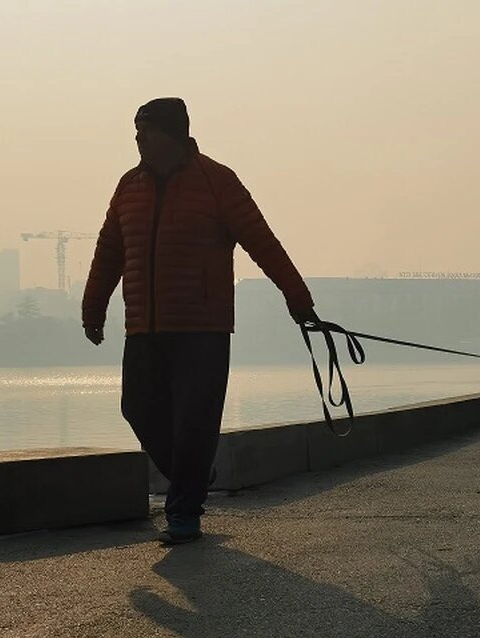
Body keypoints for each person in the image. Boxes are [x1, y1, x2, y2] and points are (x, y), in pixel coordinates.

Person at [82, 97, 319, 544]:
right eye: (135, 131)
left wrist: (298, 298)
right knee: (137, 409)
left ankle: (184, 513)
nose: (137, 139)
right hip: (145, 327)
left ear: (172, 134)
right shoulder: (128, 186)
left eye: (145, 131)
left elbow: (263, 243)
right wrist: (93, 308)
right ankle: (192, 476)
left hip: (202, 329)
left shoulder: (217, 182)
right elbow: (109, 250)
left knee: (195, 421)